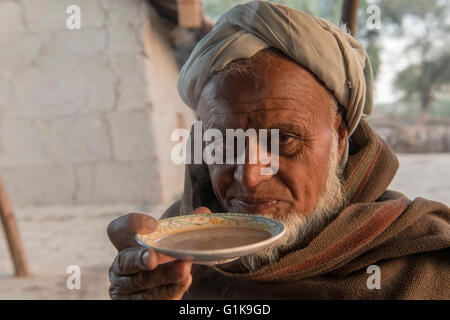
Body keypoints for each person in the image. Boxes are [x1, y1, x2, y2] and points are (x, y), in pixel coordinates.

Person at [106, 1, 449, 299]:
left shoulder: (422, 259)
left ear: (340, 136)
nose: (249, 176)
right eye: (224, 142)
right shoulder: (177, 246)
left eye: (284, 139)